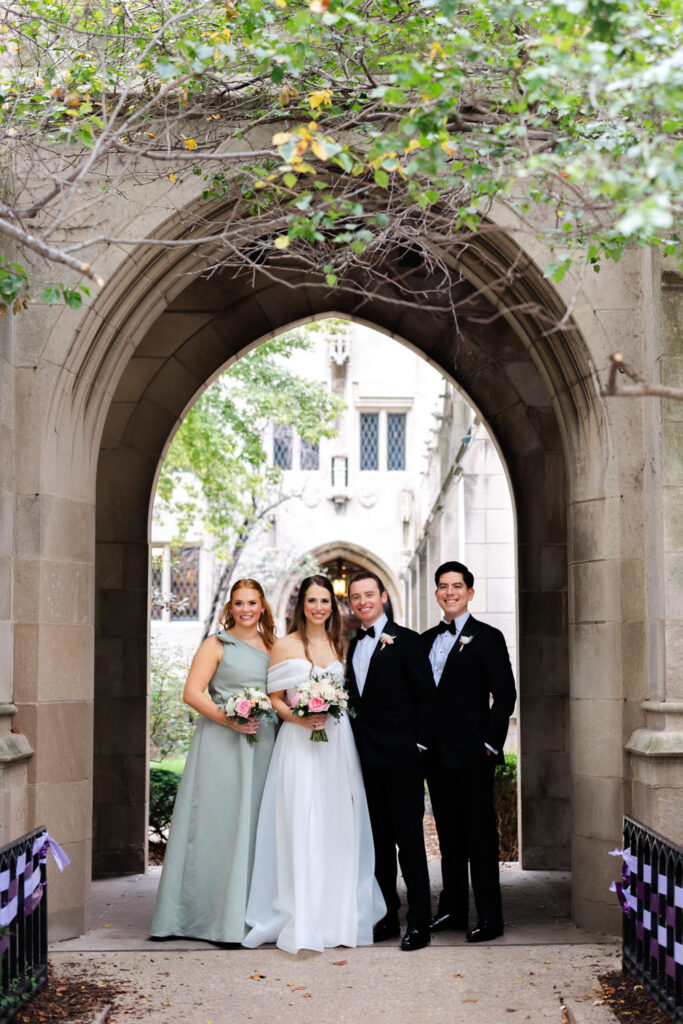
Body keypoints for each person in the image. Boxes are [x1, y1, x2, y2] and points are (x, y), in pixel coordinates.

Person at [243, 574, 385, 954]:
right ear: (300, 605)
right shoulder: (284, 644)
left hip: (337, 745)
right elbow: (274, 698)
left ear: (331, 606)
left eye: (325, 601)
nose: (319, 608)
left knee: (338, 824)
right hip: (299, 744)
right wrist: (299, 717)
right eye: (312, 601)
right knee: (301, 823)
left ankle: (336, 915)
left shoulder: (341, 643)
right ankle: (301, 914)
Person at [150, 578, 276, 944]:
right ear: (230, 608)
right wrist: (229, 718)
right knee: (217, 825)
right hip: (222, 742)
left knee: (256, 825)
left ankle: (250, 915)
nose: (246, 609)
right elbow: (192, 692)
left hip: (264, 742)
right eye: (239, 603)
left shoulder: (274, 645)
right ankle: (201, 918)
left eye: (252, 603)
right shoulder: (216, 644)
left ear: (263, 606)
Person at [422, 560, 517, 943]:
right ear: (437, 593)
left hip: (474, 757)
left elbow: (505, 696)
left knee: (479, 839)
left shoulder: (488, 637)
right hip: (437, 757)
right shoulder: (425, 639)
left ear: (470, 592)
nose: (449, 592)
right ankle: (454, 909)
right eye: (443, 586)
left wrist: (489, 745)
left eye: (457, 586)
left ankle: (491, 917)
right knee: (449, 839)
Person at [346, 571, 436, 952]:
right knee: (378, 843)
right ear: (350, 603)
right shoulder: (353, 644)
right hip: (365, 760)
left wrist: (418, 745)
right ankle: (386, 914)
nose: (363, 601)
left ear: (383, 596)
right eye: (356, 597)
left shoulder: (409, 641)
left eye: (369, 594)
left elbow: (426, 697)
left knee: (409, 842)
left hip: (401, 759)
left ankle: (419, 922)